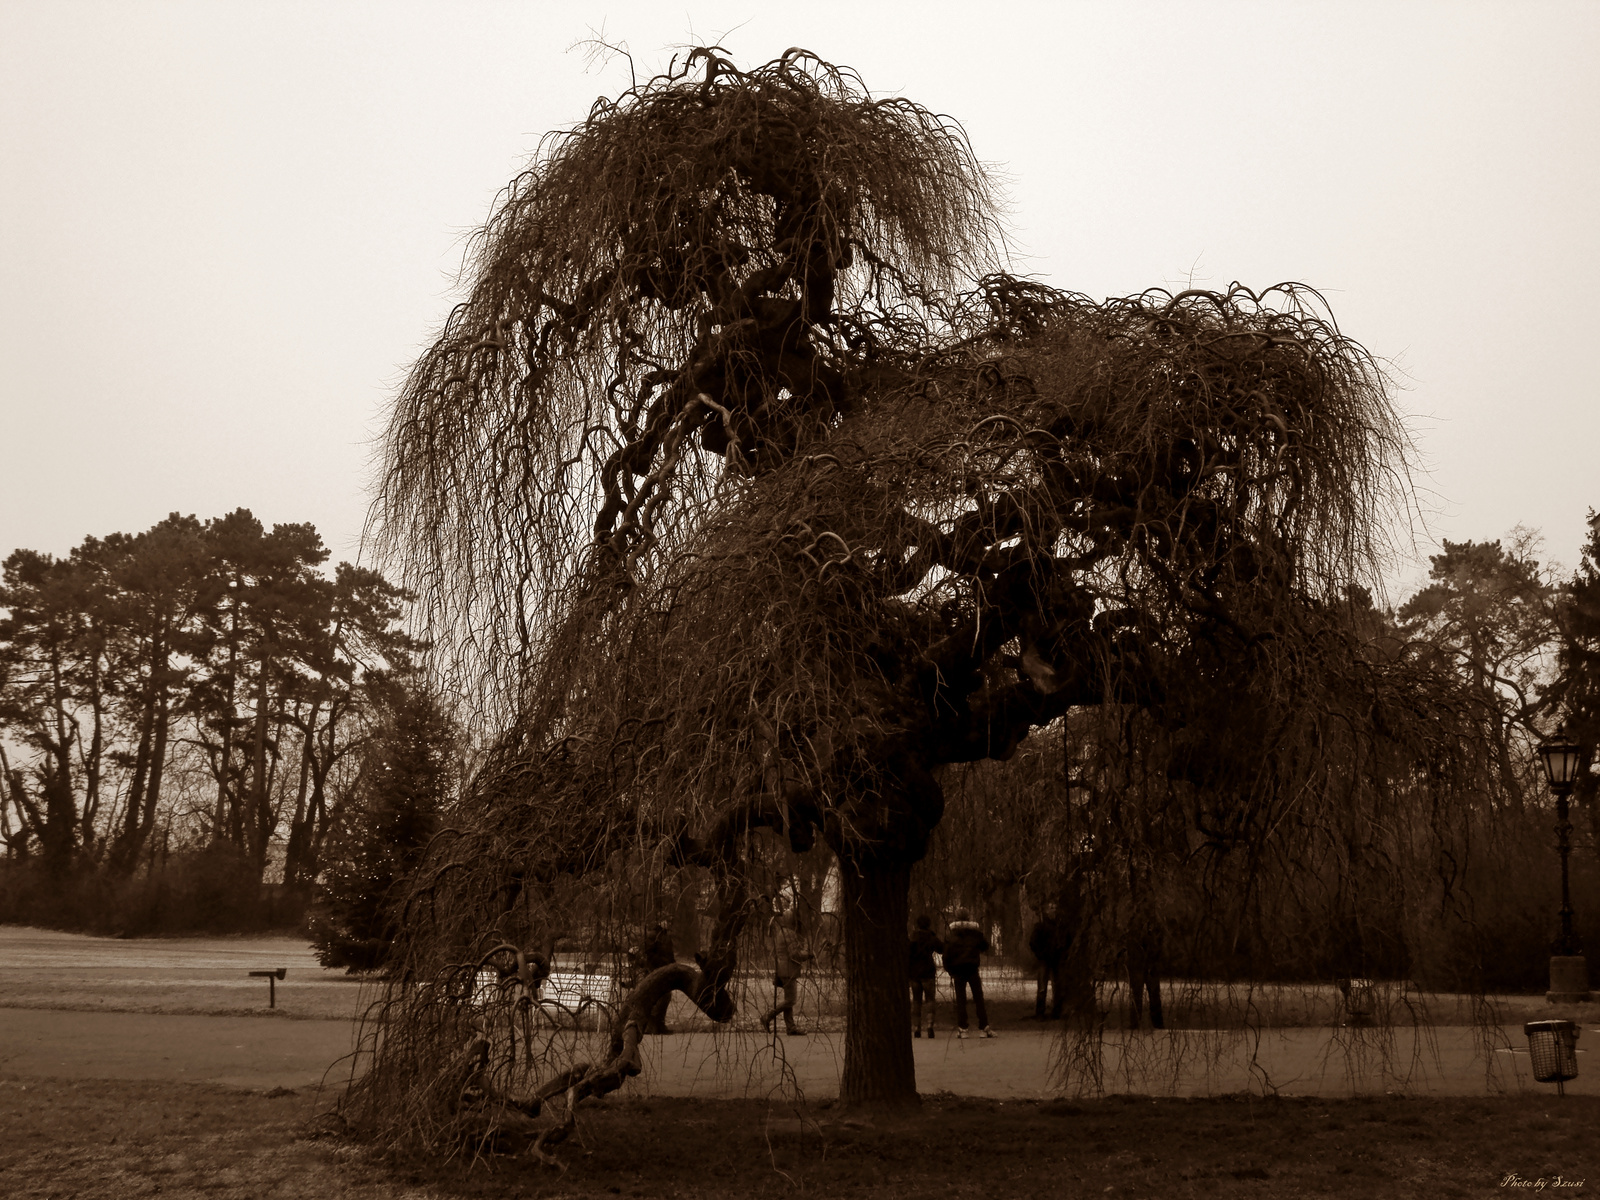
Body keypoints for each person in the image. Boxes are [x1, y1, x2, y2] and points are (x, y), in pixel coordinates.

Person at [942, 908, 993, 1038]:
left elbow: (946, 955)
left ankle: (963, 1028)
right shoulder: (975, 934)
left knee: (961, 1000)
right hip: (972, 968)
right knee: (978, 998)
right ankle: (984, 1027)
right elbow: (985, 946)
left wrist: (950, 970)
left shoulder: (951, 935)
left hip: (958, 970)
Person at [761, 905, 811, 1035]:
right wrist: (807, 952)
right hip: (788, 971)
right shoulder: (789, 933)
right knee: (791, 1000)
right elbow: (795, 954)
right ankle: (767, 1017)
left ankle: (791, 1027)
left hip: (784, 970)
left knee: (789, 999)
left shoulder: (782, 932)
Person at [1028, 905, 1070, 1020]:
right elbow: (1033, 942)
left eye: (1055, 908)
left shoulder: (1059, 925)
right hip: (1044, 960)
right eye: (1051, 908)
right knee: (1042, 987)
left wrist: (1063, 952)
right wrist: (1040, 954)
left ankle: (1057, 1012)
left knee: (1058, 986)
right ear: (1046, 911)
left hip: (1057, 959)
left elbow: (1066, 940)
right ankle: (1040, 1013)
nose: (1054, 910)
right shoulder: (1041, 925)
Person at [908, 914, 944, 1038]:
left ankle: (916, 1028)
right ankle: (929, 1026)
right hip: (928, 971)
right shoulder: (931, 937)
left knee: (916, 1001)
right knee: (930, 1000)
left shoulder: (912, 937)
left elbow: (907, 953)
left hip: (914, 973)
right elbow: (942, 949)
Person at [641, 919, 676, 1034]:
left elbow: (670, 954)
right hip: (654, 971)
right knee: (655, 999)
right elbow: (649, 954)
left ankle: (660, 1024)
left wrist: (673, 965)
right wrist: (661, 963)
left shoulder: (666, 937)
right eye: (667, 921)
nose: (669, 924)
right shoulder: (652, 936)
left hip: (665, 971)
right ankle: (651, 1025)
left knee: (665, 997)